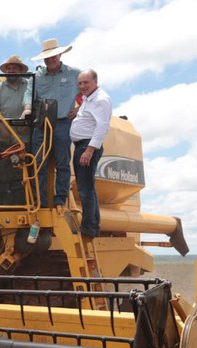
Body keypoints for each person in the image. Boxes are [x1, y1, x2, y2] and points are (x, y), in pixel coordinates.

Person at [30, 38, 80, 209]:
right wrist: (27, 109)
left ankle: (60, 199)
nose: (50, 60)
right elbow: (28, 97)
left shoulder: (74, 74)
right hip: (42, 123)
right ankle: (40, 201)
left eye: (53, 56)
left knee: (62, 163)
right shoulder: (36, 77)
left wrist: (80, 109)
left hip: (63, 122)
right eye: (47, 57)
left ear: (59, 55)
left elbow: (92, 92)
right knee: (38, 163)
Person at [0, 55, 32, 204]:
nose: (11, 70)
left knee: (22, 173)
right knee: (3, 174)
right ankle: (5, 204)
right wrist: (1, 128)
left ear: (20, 70)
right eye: (9, 68)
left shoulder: (29, 85)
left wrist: (26, 122)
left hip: (23, 138)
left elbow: (33, 105)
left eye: (14, 68)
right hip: (2, 139)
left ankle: (23, 203)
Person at [70, 69, 112, 240]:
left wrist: (89, 150)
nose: (82, 86)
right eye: (80, 83)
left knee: (85, 190)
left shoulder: (101, 99)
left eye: (86, 82)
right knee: (88, 189)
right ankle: (93, 226)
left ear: (95, 81)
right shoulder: (89, 99)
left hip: (87, 146)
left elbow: (102, 127)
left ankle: (88, 228)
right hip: (82, 145)